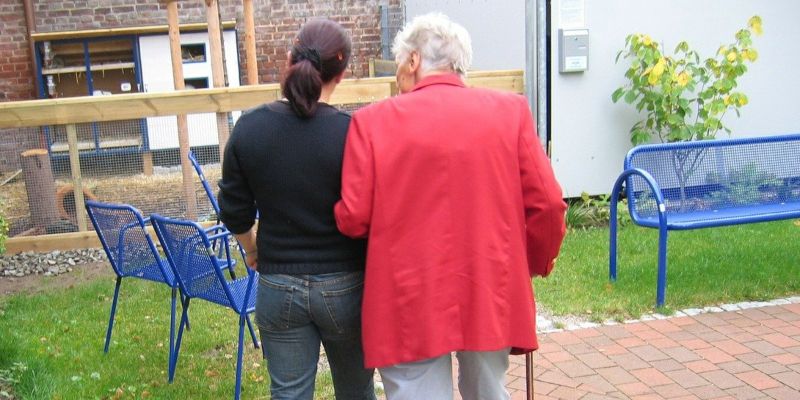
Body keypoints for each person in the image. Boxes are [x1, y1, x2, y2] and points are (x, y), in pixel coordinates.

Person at [334, 13, 567, 400]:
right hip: (490, 284)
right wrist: (535, 261)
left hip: (408, 294)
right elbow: (548, 203)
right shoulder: (510, 112)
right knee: (489, 391)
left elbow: (354, 218)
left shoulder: (372, 122)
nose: (398, 79)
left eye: (400, 68)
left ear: (412, 61)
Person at [218, 18, 376, 400]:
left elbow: (234, 211)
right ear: (343, 72)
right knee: (357, 392)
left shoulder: (250, 128)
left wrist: (253, 249)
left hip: (278, 285)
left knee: (288, 394)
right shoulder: (353, 132)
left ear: (290, 59)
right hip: (347, 287)